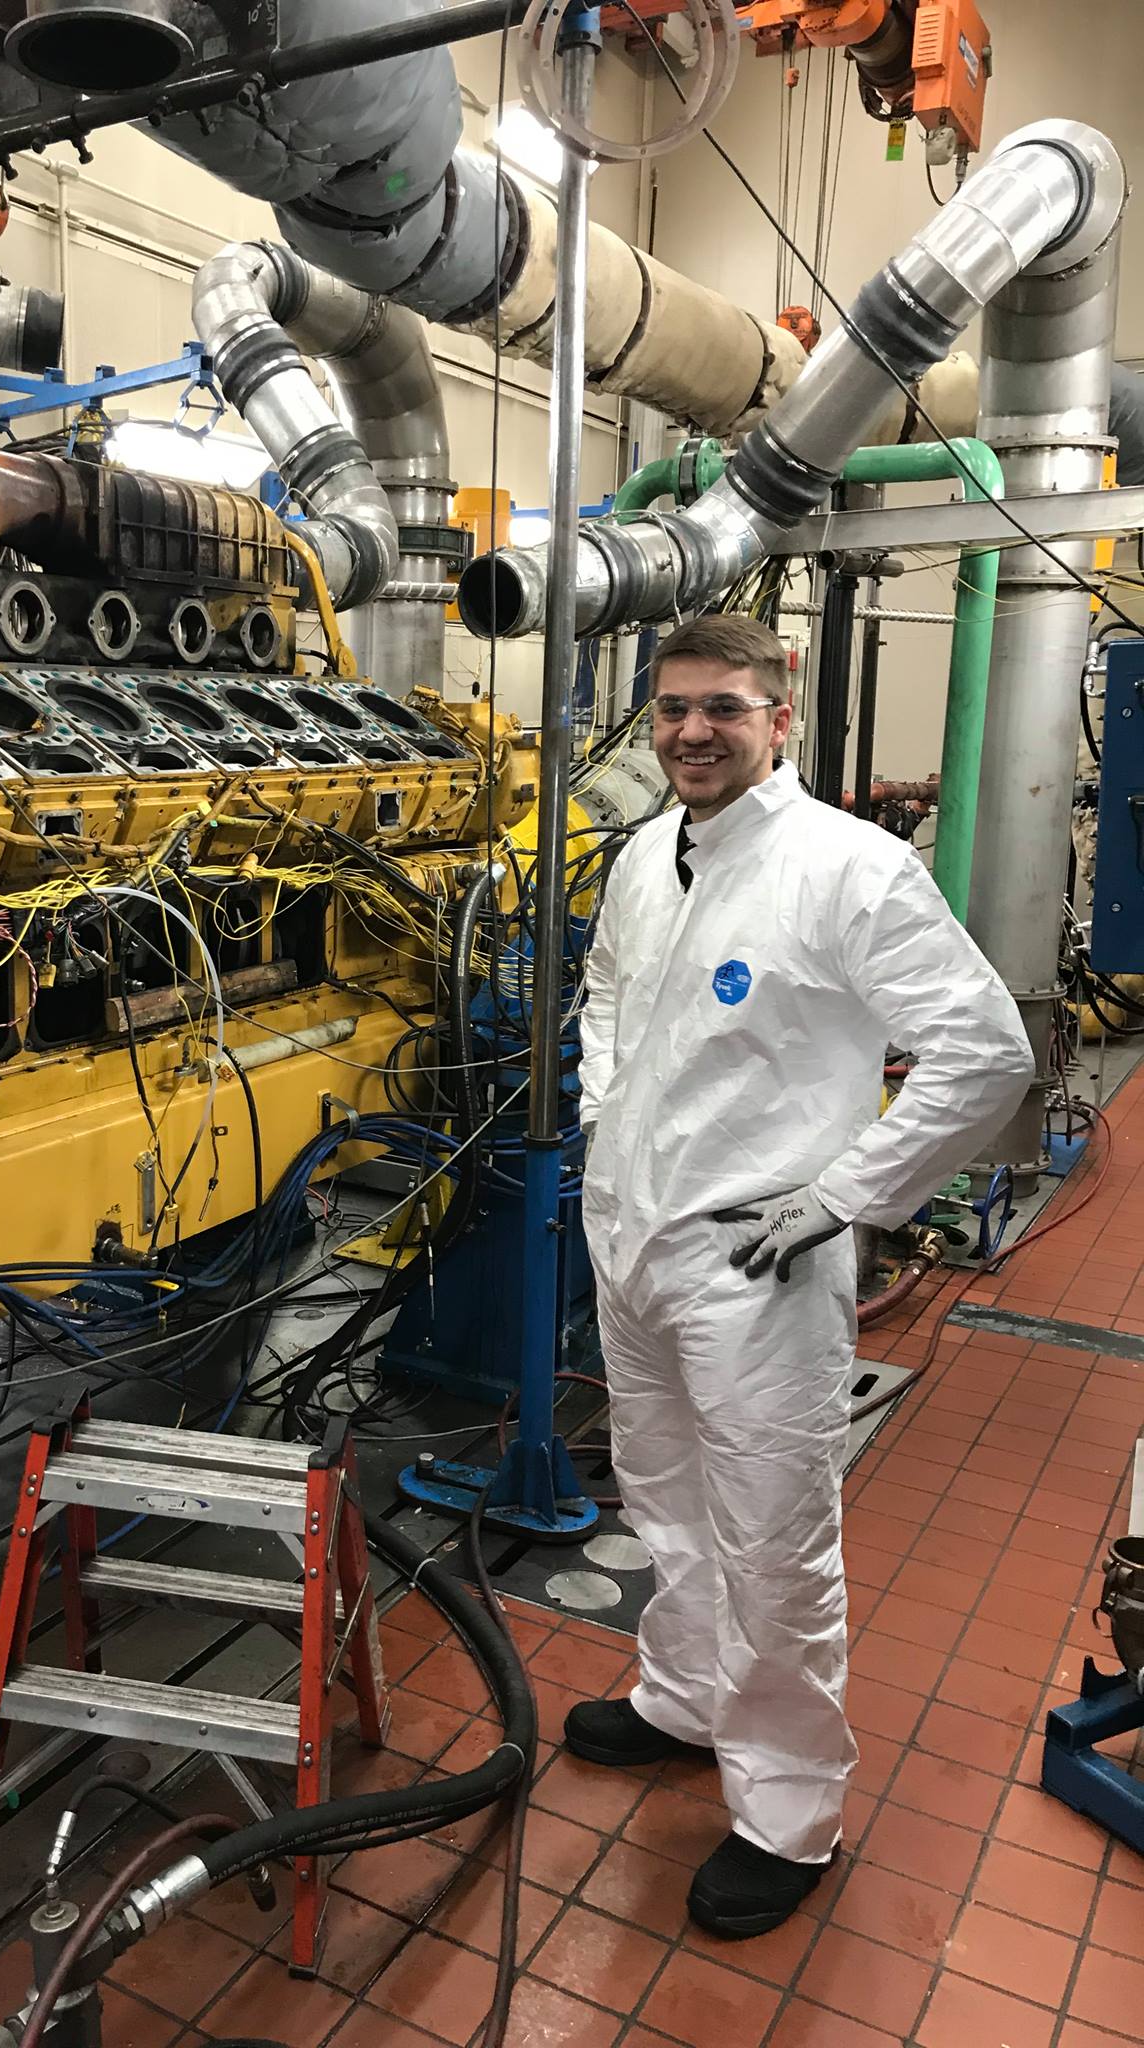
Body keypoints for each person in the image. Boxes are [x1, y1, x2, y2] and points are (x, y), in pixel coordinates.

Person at [572, 614, 1033, 1939]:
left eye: (722, 707)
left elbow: (984, 1051)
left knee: (771, 1537)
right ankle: (683, 1696)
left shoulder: (849, 869)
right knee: (662, 1495)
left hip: (758, 1267)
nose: (692, 732)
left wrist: (842, 1197)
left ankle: (787, 1810)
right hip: (639, 1240)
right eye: (671, 709)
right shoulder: (645, 859)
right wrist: (607, 1122)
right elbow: (607, 996)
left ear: (781, 717)